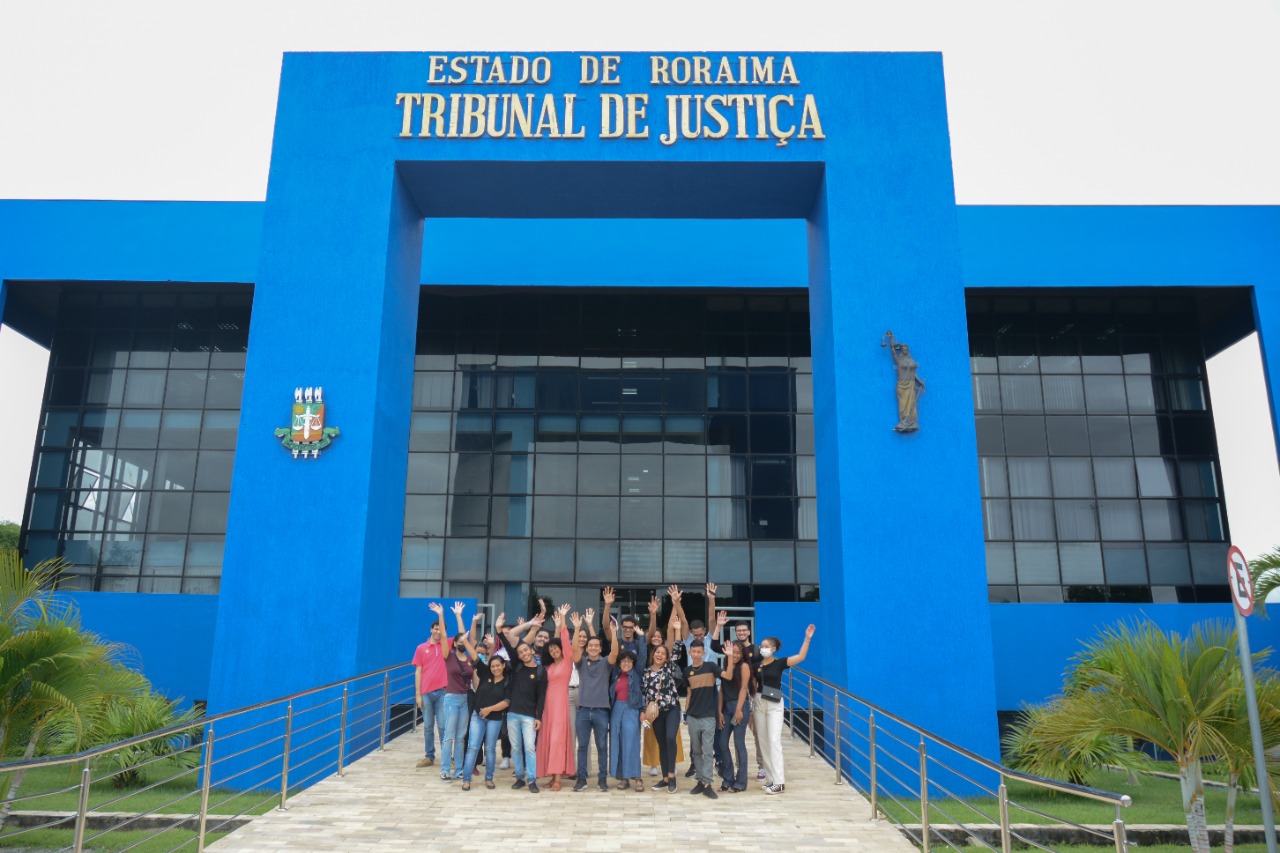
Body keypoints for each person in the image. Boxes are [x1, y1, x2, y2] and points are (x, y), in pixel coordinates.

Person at [756, 624, 815, 794]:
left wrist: (807, 638)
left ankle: (779, 782)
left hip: (774, 703)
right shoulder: (757, 664)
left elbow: (801, 657)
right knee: (764, 742)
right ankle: (771, 779)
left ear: (773, 649)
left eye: (766, 647)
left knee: (774, 741)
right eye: (762, 646)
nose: (763, 649)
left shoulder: (780, 663)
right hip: (759, 701)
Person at [497, 628, 547, 793]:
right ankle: (520, 777)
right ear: (517, 655)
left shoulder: (541, 672)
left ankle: (531, 779)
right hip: (512, 714)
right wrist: (499, 631)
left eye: (526, 650)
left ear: (531, 650)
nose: (524, 653)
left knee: (529, 747)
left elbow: (541, 697)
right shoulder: (518, 666)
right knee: (516, 748)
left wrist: (538, 717)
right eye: (520, 652)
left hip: (529, 716)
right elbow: (507, 644)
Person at [459, 637, 510, 791]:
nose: (495, 668)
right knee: (473, 747)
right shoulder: (485, 672)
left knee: (490, 748)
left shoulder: (507, 681)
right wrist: (466, 641)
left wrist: (489, 709)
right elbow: (474, 655)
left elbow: (506, 702)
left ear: (503, 666)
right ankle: (466, 779)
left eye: (498, 666)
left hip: (494, 719)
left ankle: (489, 778)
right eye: (493, 666)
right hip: (478, 716)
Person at [534, 603, 575, 791]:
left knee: (557, 739)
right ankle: (552, 775)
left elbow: (565, 643)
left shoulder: (567, 663)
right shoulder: (548, 667)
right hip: (547, 708)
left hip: (560, 706)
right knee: (549, 739)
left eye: (556, 648)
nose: (554, 650)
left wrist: (562, 622)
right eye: (550, 650)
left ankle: (558, 778)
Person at [572, 604, 611, 792]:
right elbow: (574, 651)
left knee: (602, 747)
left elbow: (616, 654)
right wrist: (578, 628)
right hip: (583, 710)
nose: (593, 648)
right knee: (582, 747)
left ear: (600, 648)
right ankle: (582, 779)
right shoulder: (582, 664)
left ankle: (602, 779)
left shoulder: (605, 663)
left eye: (597, 646)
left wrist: (615, 631)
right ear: (586, 648)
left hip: (602, 711)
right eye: (590, 645)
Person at [642, 616, 684, 793]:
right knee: (661, 742)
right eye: (657, 652)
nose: (659, 655)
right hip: (656, 712)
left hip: (672, 709)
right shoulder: (646, 673)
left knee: (669, 738)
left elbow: (677, 649)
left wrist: (677, 629)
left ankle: (672, 776)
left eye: (662, 653)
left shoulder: (669, 668)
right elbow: (646, 694)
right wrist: (645, 712)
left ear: (666, 657)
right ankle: (665, 778)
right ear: (653, 654)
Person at [437, 601, 476, 782]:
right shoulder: (448, 657)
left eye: (463, 641)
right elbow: (445, 637)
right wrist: (442, 615)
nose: (462, 643)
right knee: (449, 737)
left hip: (464, 699)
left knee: (461, 737)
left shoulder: (469, 658)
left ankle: (459, 769)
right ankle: (445, 769)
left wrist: (460, 616)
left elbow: (464, 636)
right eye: (459, 642)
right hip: (451, 699)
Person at [605, 613, 644, 792]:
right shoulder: (615, 674)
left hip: (632, 709)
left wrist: (642, 637)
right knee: (618, 743)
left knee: (632, 742)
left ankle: (637, 777)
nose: (626, 664)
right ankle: (623, 777)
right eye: (623, 661)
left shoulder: (637, 674)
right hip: (616, 711)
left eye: (629, 661)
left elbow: (642, 656)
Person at [412, 601, 452, 769]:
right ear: (430, 630)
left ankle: (446, 757)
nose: (437, 631)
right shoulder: (421, 648)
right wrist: (418, 695)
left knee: (443, 726)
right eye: (434, 628)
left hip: (443, 692)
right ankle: (429, 756)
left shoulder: (447, 644)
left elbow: (444, 636)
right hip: (426, 693)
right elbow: (418, 672)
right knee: (428, 726)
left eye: (439, 628)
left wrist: (440, 615)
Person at [683, 638, 719, 799]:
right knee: (696, 750)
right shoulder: (687, 670)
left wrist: (730, 657)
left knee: (708, 750)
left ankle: (708, 783)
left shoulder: (711, 667)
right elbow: (689, 693)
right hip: (692, 716)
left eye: (699, 651)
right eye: (693, 651)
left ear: (704, 653)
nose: (696, 654)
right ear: (690, 653)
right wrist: (686, 712)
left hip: (708, 716)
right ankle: (700, 780)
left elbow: (727, 676)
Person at [716, 640, 752, 793]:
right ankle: (728, 779)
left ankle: (741, 782)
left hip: (740, 706)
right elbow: (722, 691)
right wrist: (719, 712)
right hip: (726, 708)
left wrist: (739, 710)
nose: (735, 655)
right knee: (722, 743)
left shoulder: (744, 667)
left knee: (739, 744)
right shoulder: (726, 667)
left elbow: (744, 688)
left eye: (738, 652)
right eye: (733, 652)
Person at [884, 330, 925, 432]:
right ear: (901, 350)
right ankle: (903, 422)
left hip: (911, 384)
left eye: (906, 349)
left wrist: (919, 381)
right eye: (903, 349)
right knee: (903, 405)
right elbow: (893, 349)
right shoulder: (898, 360)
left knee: (911, 404)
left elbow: (913, 373)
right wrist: (891, 339)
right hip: (902, 385)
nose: (905, 350)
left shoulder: (911, 361)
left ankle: (912, 423)